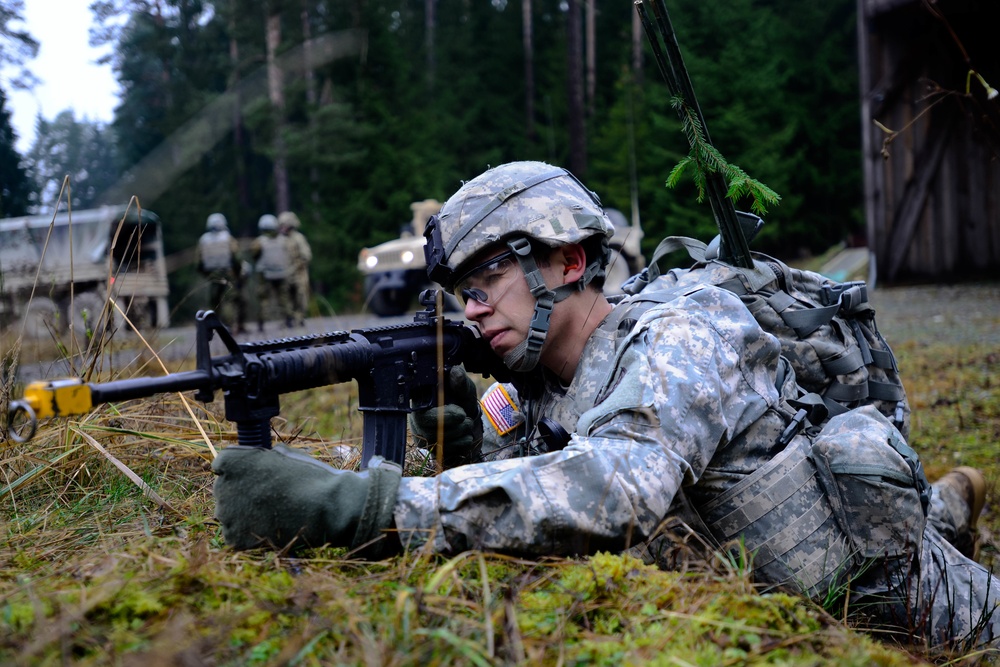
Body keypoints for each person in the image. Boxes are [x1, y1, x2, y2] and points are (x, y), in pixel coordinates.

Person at [212, 162, 999, 650]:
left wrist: (370, 510)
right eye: (463, 293)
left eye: (489, 281)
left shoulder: (679, 332)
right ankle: (948, 502)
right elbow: (529, 493)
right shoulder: (535, 383)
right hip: (764, 603)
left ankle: (940, 516)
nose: (474, 309)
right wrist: (456, 441)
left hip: (896, 598)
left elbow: (615, 488)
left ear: (570, 260)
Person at [194, 212, 246, 334]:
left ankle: (214, 326)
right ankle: (228, 326)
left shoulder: (203, 240)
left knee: (214, 301)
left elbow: (198, 262)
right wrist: (237, 273)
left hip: (212, 275)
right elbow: (237, 258)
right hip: (228, 273)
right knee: (228, 300)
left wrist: (206, 274)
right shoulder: (228, 238)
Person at [249, 213, 293, 331]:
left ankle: (261, 324)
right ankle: (288, 320)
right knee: (283, 298)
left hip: (264, 274)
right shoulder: (284, 240)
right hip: (282, 273)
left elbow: (254, 255)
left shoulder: (259, 242)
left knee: (264, 299)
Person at [278, 211, 312, 326]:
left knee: (300, 295)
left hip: (299, 273)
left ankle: (300, 317)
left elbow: (306, 255)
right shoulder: (281, 239)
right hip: (285, 273)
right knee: (286, 297)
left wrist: (298, 265)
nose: (282, 227)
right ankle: (288, 318)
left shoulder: (298, 238)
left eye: (284, 225)